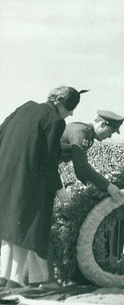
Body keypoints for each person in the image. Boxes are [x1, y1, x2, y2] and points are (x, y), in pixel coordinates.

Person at [25, 109, 124, 287]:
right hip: (35, 175)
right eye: (111, 131)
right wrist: (107, 186)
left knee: (38, 226)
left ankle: (31, 277)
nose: (110, 136)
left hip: (39, 174)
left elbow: (81, 173)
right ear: (102, 124)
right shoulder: (82, 132)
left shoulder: (85, 133)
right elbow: (81, 169)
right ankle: (41, 279)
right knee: (42, 226)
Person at [0, 86, 84, 289]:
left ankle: (3, 275)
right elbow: (48, 160)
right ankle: (16, 280)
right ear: (60, 102)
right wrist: (59, 188)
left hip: (4, 174)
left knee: (7, 227)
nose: (71, 113)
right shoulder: (55, 121)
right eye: (71, 107)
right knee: (24, 228)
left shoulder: (24, 107)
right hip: (27, 179)